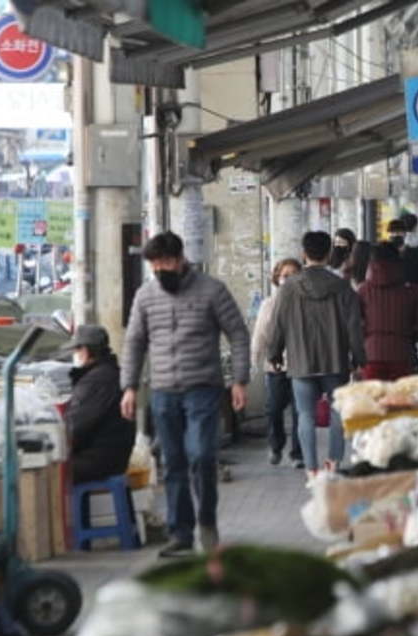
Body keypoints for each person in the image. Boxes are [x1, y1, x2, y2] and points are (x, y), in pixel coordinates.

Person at [121, 231, 251, 557]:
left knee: (202, 456)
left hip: (203, 389)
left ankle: (207, 522)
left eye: (164, 263)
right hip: (163, 391)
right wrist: (129, 386)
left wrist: (239, 380)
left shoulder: (212, 290)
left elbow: (237, 334)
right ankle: (181, 532)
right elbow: (134, 342)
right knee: (173, 463)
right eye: (154, 265)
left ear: (179, 260)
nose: (159, 270)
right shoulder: (145, 296)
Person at [267, 231, 366, 474]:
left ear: (304, 254)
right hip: (336, 361)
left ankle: (311, 467)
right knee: (337, 414)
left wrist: (275, 354)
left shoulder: (288, 288)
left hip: (301, 362)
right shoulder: (343, 287)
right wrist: (359, 359)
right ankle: (333, 462)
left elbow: (277, 324)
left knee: (305, 416)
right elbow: (355, 327)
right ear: (329, 254)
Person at [66, 325, 135, 484]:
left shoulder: (97, 380)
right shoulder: (109, 372)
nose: (76, 355)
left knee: (46, 468)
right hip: (111, 456)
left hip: (101, 460)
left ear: (85, 351)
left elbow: (75, 426)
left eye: (77, 350)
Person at [251, 258, 304, 468]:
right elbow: (260, 335)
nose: (289, 279)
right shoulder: (268, 304)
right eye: (285, 275)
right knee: (274, 408)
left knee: (300, 411)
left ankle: (297, 453)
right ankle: (276, 445)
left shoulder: (306, 303)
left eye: (294, 274)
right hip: (276, 367)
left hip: (301, 365)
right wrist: (254, 360)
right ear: (277, 278)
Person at [358, 243, 418, 381]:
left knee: (373, 400)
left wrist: (368, 338)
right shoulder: (412, 291)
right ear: (399, 262)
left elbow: (354, 323)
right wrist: (408, 337)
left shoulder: (362, 291)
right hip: (403, 355)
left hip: (370, 356)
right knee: (400, 399)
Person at [388, 219, 418, 289]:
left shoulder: (414, 254)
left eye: (399, 232)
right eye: (393, 232)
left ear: (405, 234)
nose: (396, 235)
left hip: (409, 290)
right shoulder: (385, 254)